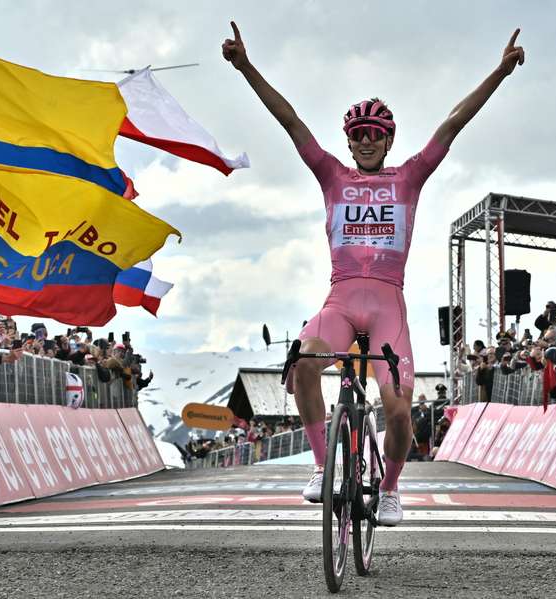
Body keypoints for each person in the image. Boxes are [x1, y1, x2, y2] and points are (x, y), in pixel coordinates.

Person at [224, 21, 525, 526]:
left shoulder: (409, 177)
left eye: (374, 135)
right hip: (340, 302)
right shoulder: (332, 175)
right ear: (349, 140)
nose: (365, 142)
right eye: (358, 135)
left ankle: (388, 489)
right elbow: (291, 121)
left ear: (387, 140)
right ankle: (323, 467)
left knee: (400, 411)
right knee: (301, 365)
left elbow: (452, 124)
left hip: (389, 305)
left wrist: (499, 71)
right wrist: (245, 67)